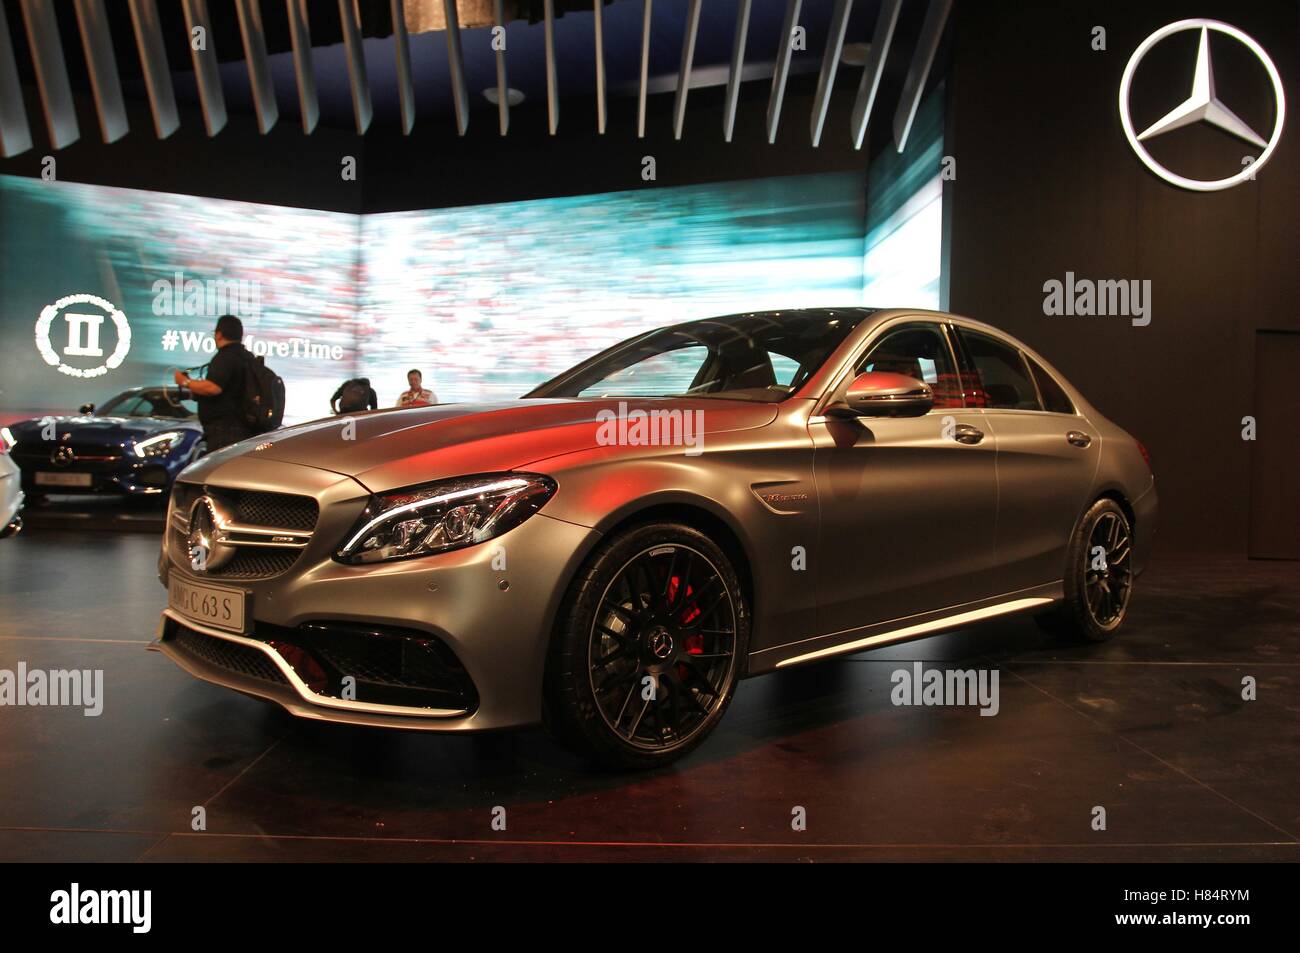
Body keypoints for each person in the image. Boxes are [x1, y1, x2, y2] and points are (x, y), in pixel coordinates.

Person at [173, 314, 251, 453]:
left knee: (218, 472)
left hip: (225, 433)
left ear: (219, 334)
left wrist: (185, 381)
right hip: (243, 430)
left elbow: (213, 388)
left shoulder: (225, 357)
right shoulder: (246, 357)